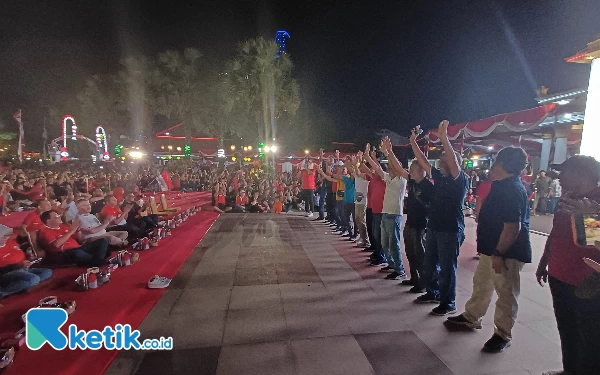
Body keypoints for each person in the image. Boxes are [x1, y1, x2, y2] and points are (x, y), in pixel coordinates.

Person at [446, 147, 531, 353]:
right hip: (492, 249)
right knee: (482, 284)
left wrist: (499, 253)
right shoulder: (501, 185)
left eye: (496, 160)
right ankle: (471, 316)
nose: (493, 164)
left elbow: (513, 227)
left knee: (506, 293)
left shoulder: (512, 189)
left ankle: (502, 334)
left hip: (506, 252)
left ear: (504, 164)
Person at [535, 155, 600, 375]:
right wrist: (545, 260)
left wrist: (589, 217)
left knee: (589, 337)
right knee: (567, 329)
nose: (560, 177)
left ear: (583, 174)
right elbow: (556, 233)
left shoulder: (597, 200)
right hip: (558, 274)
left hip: (586, 282)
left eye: (565, 172)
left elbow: (594, 243)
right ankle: (569, 370)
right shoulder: (566, 198)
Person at [410, 121, 469, 316]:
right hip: (435, 227)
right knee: (430, 264)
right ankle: (433, 293)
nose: (440, 162)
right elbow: (423, 161)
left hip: (450, 229)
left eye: (444, 160)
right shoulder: (440, 177)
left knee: (446, 267)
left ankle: (448, 302)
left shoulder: (458, 179)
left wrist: (444, 138)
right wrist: (412, 141)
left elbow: (452, 161)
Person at [365, 139, 408, 280]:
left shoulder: (402, 180)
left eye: (392, 166)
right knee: (385, 243)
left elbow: (396, 166)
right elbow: (377, 168)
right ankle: (392, 264)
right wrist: (369, 157)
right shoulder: (388, 178)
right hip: (385, 213)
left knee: (393, 243)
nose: (389, 167)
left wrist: (389, 151)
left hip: (395, 214)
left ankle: (400, 269)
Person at [402, 158, 433, 292]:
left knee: (420, 254)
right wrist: (389, 153)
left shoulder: (428, 186)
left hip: (421, 225)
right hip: (410, 222)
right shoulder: (412, 182)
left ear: (421, 171)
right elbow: (399, 169)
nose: (410, 171)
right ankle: (414, 277)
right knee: (410, 252)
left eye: (412, 169)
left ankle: (423, 282)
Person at [39, 211, 110, 267]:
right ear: (49, 221)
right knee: (77, 253)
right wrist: (71, 231)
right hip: (64, 254)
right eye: (57, 217)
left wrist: (78, 230)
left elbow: (80, 241)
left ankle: (97, 261)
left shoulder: (63, 226)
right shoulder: (45, 231)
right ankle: (99, 260)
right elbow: (56, 245)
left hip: (79, 248)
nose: (60, 217)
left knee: (103, 241)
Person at [0, 225, 52, 299]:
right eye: (4, 236)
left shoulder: (11, 242)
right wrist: (17, 265)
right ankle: (3, 292)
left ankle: (25, 285)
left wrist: (29, 257)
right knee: (34, 279)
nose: (7, 238)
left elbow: (18, 254)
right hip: (8, 273)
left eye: (8, 235)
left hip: (24, 268)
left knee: (47, 272)